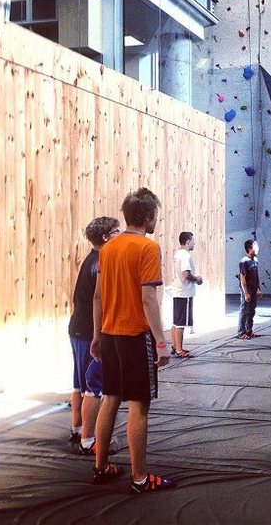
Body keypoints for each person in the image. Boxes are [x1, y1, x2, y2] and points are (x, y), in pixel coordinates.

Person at [90, 187, 175, 494]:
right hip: (135, 336)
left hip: (111, 336)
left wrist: (97, 335)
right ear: (148, 216)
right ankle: (140, 478)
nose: (158, 220)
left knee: (110, 397)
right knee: (139, 405)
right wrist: (162, 341)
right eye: (157, 215)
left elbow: (97, 296)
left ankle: (100, 467)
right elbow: (148, 298)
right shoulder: (148, 248)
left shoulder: (108, 247)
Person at [68, 217, 120, 453]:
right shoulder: (101, 263)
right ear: (106, 238)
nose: (121, 234)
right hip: (90, 333)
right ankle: (88, 441)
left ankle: (78, 429)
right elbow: (102, 301)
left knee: (79, 383)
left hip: (78, 329)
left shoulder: (91, 259)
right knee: (93, 387)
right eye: (117, 231)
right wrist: (100, 336)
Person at [171, 231, 203, 358]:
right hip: (184, 293)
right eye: (193, 241)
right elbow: (185, 274)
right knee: (180, 323)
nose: (194, 243)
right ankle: (179, 350)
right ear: (187, 241)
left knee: (176, 321)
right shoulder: (185, 256)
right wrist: (197, 279)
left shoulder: (178, 254)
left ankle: (175, 346)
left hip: (178, 291)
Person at [238, 239, 262, 339]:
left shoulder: (255, 260)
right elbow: (242, 278)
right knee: (245, 311)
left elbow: (256, 276)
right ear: (250, 249)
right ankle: (241, 332)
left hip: (254, 289)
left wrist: (258, 289)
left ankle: (249, 330)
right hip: (247, 289)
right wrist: (246, 293)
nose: (258, 249)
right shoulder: (244, 261)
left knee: (252, 311)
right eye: (255, 247)